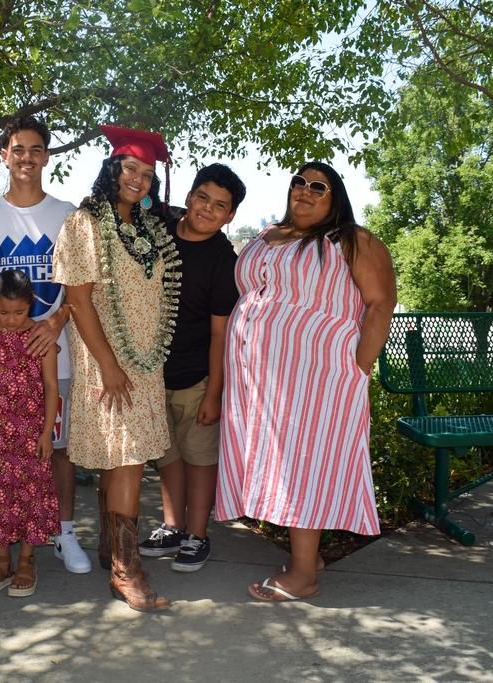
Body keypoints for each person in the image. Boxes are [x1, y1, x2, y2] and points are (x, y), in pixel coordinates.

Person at [216, 162, 397, 602]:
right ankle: (308, 557)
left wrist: (359, 368)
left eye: (319, 186)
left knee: (304, 465)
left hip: (318, 379)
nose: (306, 191)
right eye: (299, 182)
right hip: (262, 382)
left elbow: (381, 304)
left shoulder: (352, 240)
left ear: (336, 198)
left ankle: (303, 576)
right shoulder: (268, 234)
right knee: (281, 464)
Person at [0, 116, 91, 578]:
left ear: (46, 156)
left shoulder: (68, 215)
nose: (26, 157)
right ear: (4, 155)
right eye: (18, 149)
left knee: (56, 448)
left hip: (52, 353)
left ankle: (63, 532)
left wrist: (57, 321)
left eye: (35, 149)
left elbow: (81, 288)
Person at [53, 125, 179, 612]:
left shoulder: (147, 228)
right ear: (112, 169)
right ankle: (127, 572)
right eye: (130, 168)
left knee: (126, 458)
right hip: (105, 357)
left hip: (145, 360)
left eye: (147, 173)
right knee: (126, 457)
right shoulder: (84, 223)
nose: (138, 179)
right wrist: (108, 363)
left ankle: (111, 551)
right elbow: (78, 299)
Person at [138, 164, 246, 573]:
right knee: (167, 456)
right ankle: (172, 526)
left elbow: (221, 334)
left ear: (230, 216)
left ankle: (197, 534)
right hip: (152, 372)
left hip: (198, 377)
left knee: (199, 458)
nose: (207, 209)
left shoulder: (223, 260)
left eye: (220, 206)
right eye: (203, 197)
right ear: (189, 195)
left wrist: (214, 392)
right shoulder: (159, 232)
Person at [0, 269, 61, 598]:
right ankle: (2, 561)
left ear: (31, 304)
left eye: (19, 312)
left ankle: (26, 562)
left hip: (30, 435)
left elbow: (51, 387)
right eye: (3, 312)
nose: (11, 319)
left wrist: (47, 433)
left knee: (30, 494)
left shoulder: (41, 338)